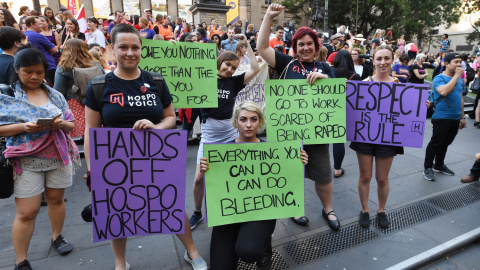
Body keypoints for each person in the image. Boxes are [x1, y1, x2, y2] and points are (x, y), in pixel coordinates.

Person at [83, 23, 207, 270]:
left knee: (170, 205)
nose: (130, 52)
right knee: (116, 211)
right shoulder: (99, 85)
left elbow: (171, 118)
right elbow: (91, 131)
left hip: (155, 158)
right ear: (112, 48)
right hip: (115, 161)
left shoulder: (156, 81)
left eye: (135, 47)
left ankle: (191, 252)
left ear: (142, 50)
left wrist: (155, 127)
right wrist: (92, 170)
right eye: (123, 47)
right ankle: (121, 263)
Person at [257, 3, 340, 230]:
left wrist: (325, 79)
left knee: (324, 174)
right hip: (289, 134)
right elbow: (262, 47)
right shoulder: (286, 64)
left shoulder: (325, 67)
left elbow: (338, 96)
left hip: (318, 135)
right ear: (295, 47)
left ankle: (328, 209)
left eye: (309, 44)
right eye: (300, 44)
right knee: (291, 173)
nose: (305, 48)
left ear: (316, 46)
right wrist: (268, 18)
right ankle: (294, 208)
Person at [201, 101, 308, 269]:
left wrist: (298, 162)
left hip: (261, 211)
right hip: (229, 214)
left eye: (254, 119)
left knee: (248, 251)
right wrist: (207, 169)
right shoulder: (221, 153)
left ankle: (264, 251)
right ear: (236, 122)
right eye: (243, 119)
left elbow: (287, 181)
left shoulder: (274, 151)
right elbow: (216, 191)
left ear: (260, 123)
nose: (249, 124)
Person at [0, 47, 79, 270]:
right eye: (28, 72)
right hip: (26, 159)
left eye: (40, 72)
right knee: (27, 212)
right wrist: (24, 127)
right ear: (17, 70)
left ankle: (57, 237)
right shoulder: (7, 95)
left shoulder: (55, 95)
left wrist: (62, 124)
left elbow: (72, 124)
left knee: (56, 200)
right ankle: (21, 259)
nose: (35, 77)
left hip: (58, 156)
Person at [189, 36, 259, 231]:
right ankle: (197, 212)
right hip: (209, 136)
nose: (229, 70)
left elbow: (255, 69)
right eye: (227, 65)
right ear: (220, 62)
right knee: (198, 178)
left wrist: (247, 46)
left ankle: (236, 207)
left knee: (234, 174)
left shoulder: (234, 82)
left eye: (234, 68)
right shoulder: (202, 78)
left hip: (230, 135)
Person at [350, 45, 403, 229]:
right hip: (364, 136)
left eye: (386, 58)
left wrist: (421, 105)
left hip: (387, 136)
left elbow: (406, 112)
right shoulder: (363, 83)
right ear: (373, 60)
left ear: (392, 60)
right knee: (365, 176)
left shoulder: (398, 86)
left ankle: (381, 210)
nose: (383, 62)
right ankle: (365, 209)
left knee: (382, 178)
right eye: (379, 58)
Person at [423, 53, 467, 181]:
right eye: (456, 62)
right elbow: (443, 91)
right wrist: (457, 76)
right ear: (446, 63)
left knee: (446, 143)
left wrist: (462, 117)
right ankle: (428, 167)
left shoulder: (458, 80)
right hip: (442, 117)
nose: (459, 64)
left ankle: (439, 165)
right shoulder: (439, 78)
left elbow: (461, 98)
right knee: (435, 143)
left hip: (455, 117)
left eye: (460, 62)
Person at [54, 38, 103, 139]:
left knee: (76, 137)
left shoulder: (64, 67)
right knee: (94, 134)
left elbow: (58, 91)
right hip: (95, 102)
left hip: (74, 103)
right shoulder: (95, 64)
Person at [332, 50, 361, 178]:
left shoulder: (330, 73)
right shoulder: (355, 76)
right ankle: (337, 169)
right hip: (345, 110)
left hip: (327, 110)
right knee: (338, 140)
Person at [24, 16, 59, 86]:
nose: (42, 25)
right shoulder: (37, 36)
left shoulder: (24, 35)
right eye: (39, 24)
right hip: (48, 66)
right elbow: (55, 50)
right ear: (32, 24)